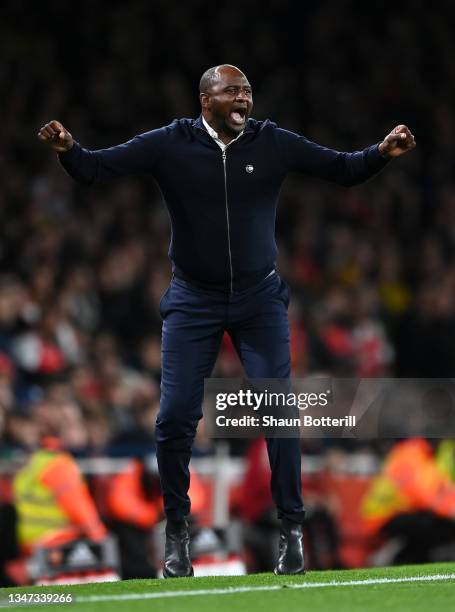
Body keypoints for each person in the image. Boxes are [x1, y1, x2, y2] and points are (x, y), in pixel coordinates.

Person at [38, 64, 416, 576]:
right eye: (232, 91)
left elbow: (342, 168)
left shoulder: (271, 141)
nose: (243, 99)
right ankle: (177, 533)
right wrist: (69, 151)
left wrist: (380, 153)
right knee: (174, 418)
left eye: (248, 91)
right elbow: (97, 169)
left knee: (279, 413)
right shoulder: (171, 142)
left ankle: (291, 530)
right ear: (205, 100)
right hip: (194, 300)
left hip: (259, 299)